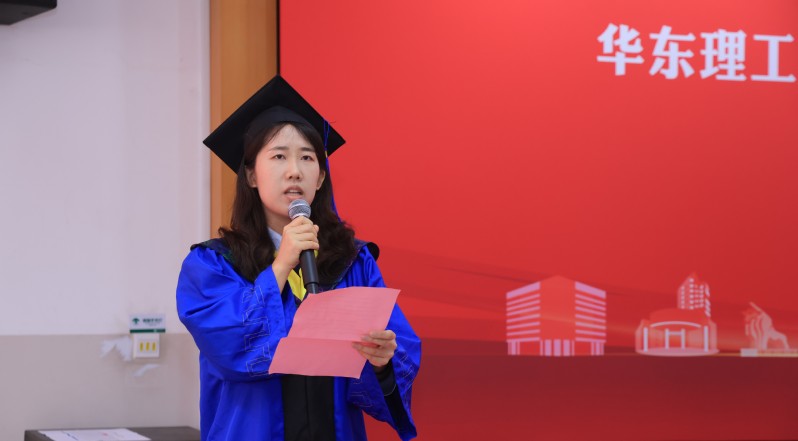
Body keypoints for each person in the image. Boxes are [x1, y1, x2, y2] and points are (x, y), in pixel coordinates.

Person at [176, 76, 420, 441]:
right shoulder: (214, 265)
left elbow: (398, 349)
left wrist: (383, 360)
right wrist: (280, 266)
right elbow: (227, 346)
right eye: (278, 156)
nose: (295, 170)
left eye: (307, 157)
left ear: (320, 178)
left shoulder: (353, 262)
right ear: (251, 175)